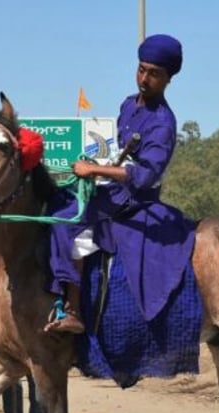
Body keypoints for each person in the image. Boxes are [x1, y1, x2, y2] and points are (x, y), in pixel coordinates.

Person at [45, 33, 187, 333]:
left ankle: (72, 309)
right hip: (113, 187)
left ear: (169, 79)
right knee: (55, 201)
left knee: (65, 220)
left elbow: (146, 175)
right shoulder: (127, 104)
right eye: (141, 69)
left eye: (154, 74)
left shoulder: (163, 122)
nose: (144, 78)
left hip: (134, 198)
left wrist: (95, 172)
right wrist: (99, 166)